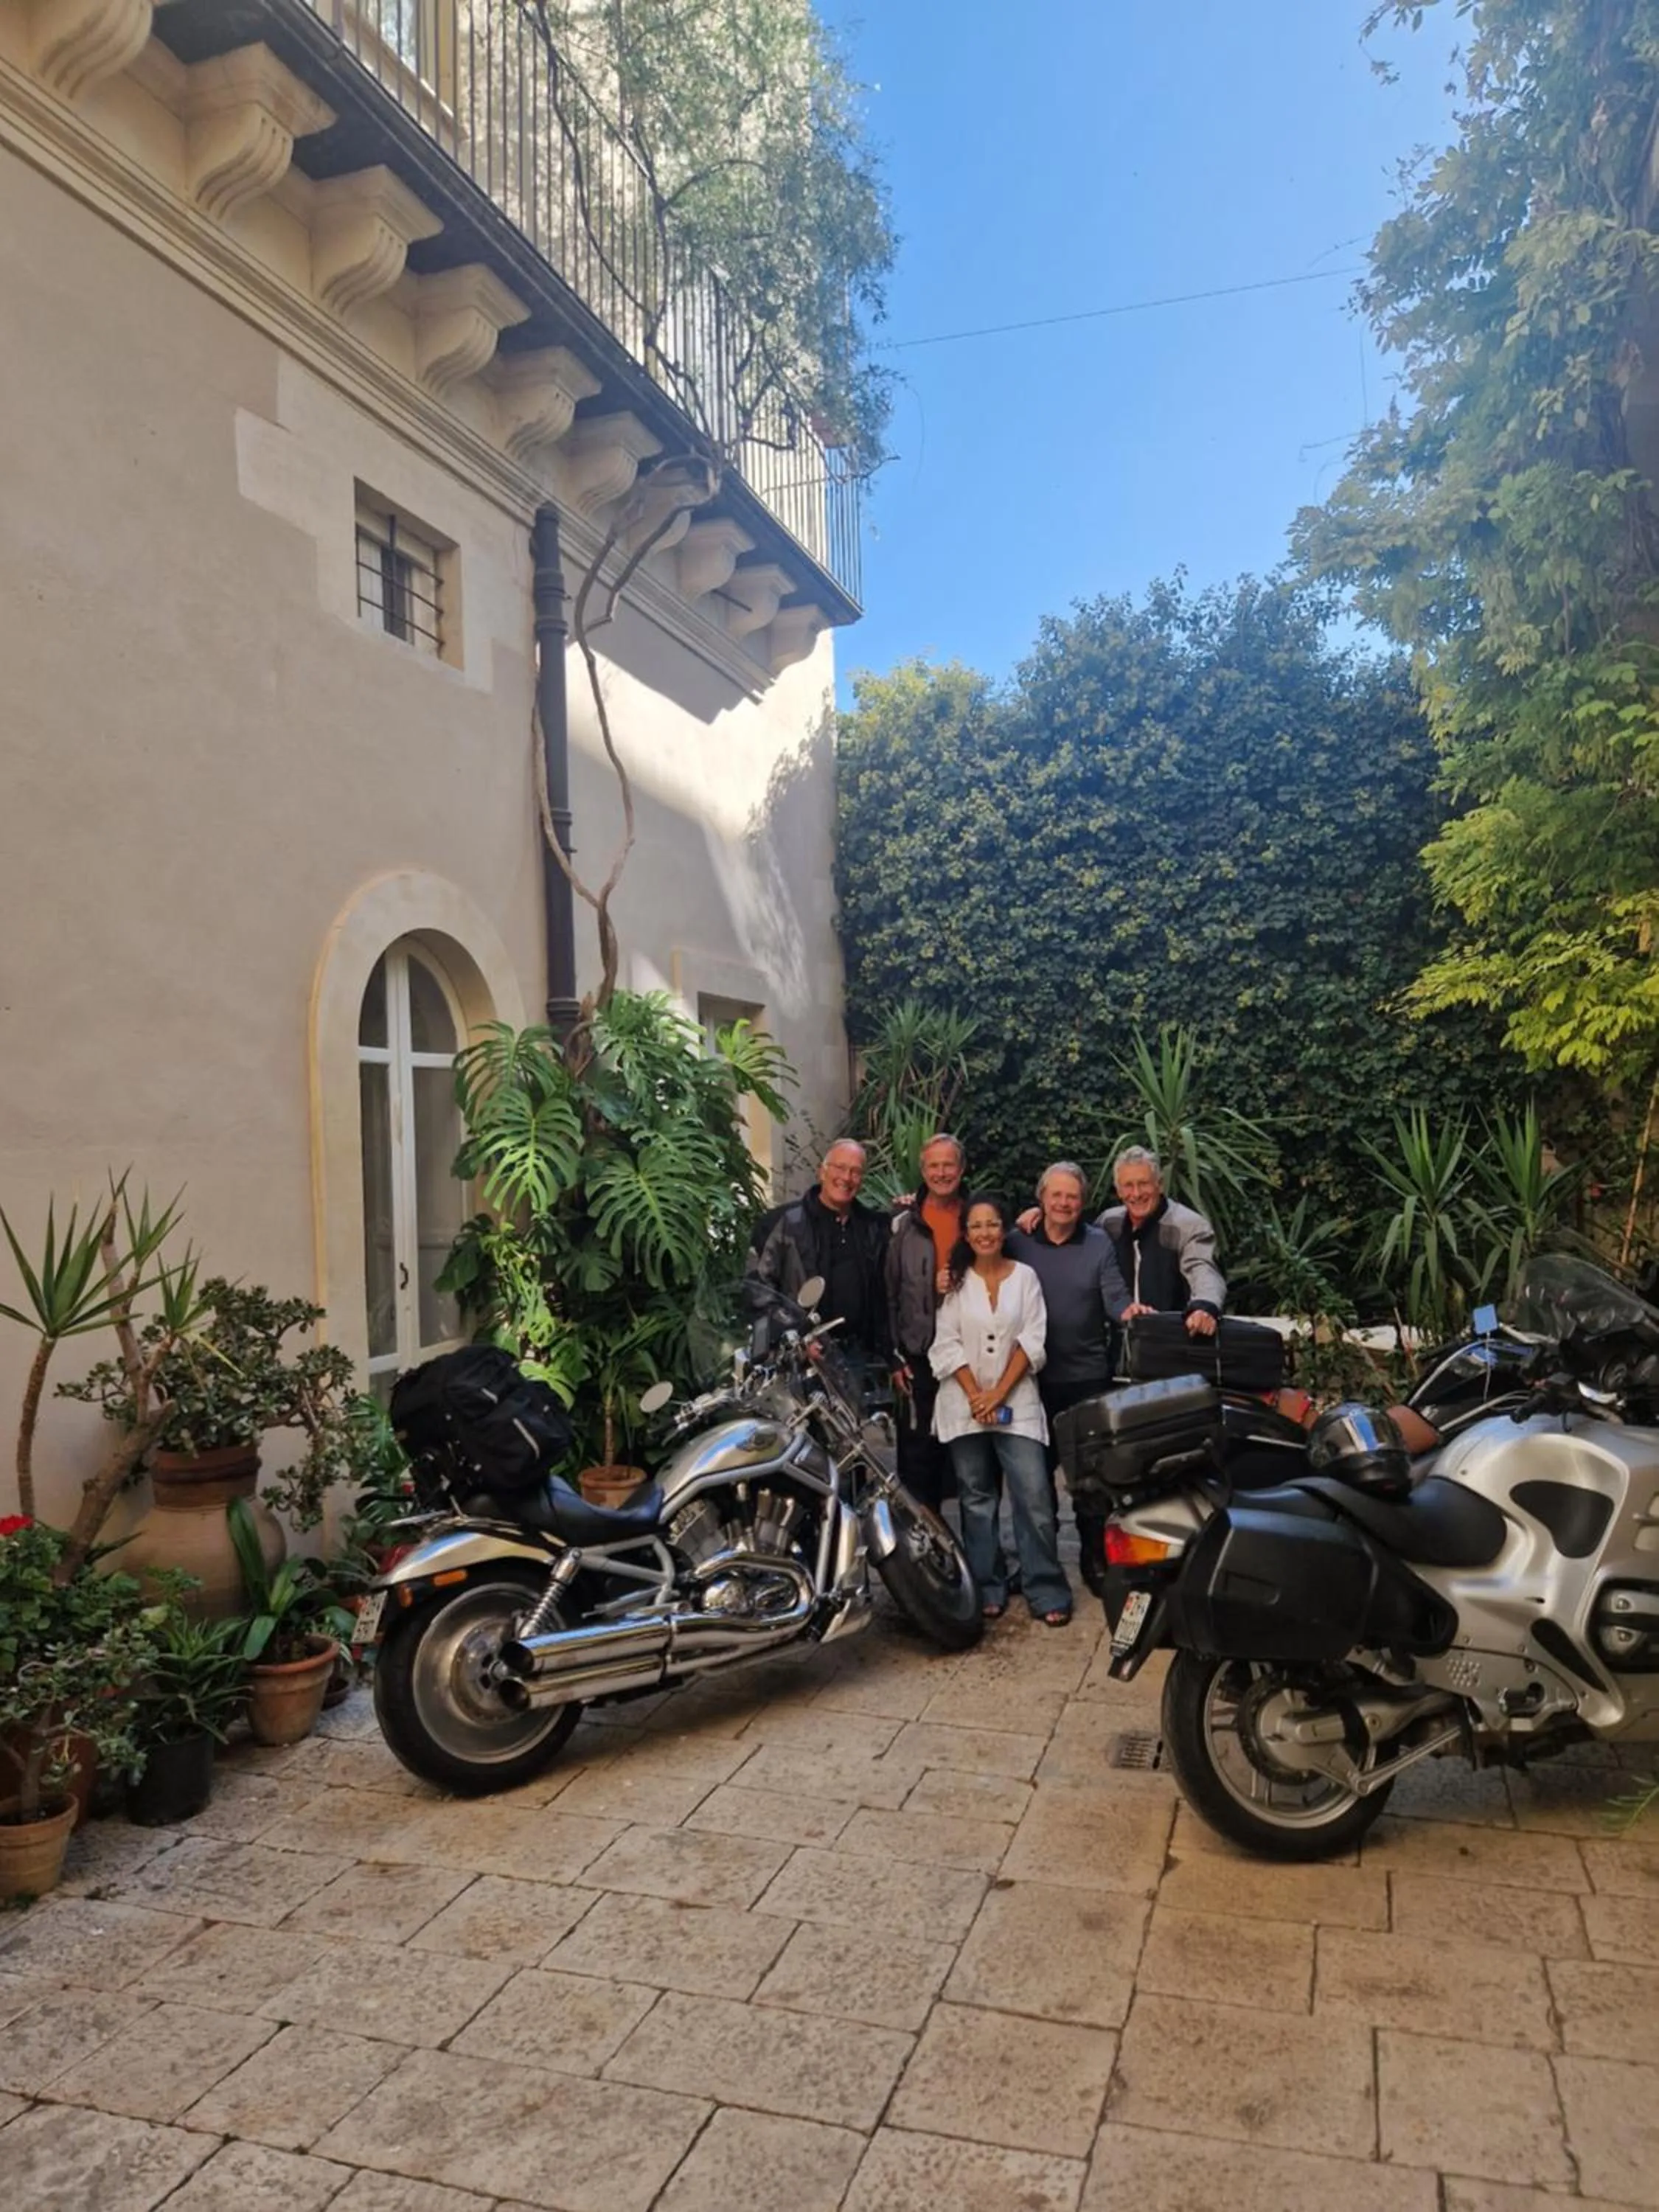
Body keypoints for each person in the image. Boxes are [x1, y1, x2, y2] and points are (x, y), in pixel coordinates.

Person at [931, 1193, 1072, 1627]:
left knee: (1033, 1496)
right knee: (976, 1499)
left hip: (1018, 1403)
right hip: (963, 1403)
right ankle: (987, 1585)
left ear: (1004, 1229)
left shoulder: (1025, 1278)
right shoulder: (956, 1282)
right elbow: (946, 1343)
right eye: (976, 1226)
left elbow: (1033, 1339)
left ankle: (1045, 1586)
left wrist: (998, 1395)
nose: (985, 1233)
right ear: (967, 1234)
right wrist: (977, 1395)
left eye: (992, 1224)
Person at [1007, 1161, 1132, 1597]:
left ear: (1083, 1202)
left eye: (1072, 1196)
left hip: (1085, 1377)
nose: (1063, 1203)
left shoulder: (1098, 1244)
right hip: (1030, 1380)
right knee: (1033, 1481)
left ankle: (1093, 1556)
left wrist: (1130, 1312)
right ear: (1041, 1199)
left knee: (1089, 1480)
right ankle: (1037, 1563)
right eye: (1056, 1195)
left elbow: (1114, 1295)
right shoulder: (1017, 1241)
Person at [748, 1140, 891, 1388]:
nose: (847, 1177)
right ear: (822, 1171)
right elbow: (758, 1289)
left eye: (856, 1171)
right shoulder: (785, 1223)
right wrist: (796, 1336)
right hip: (802, 1357)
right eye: (840, 1168)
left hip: (858, 1357)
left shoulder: (873, 1226)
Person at [887, 1133, 969, 1512]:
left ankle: (975, 1554)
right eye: (933, 1166)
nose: (941, 1173)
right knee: (918, 1458)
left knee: (969, 1457)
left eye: (948, 1164)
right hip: (917, 1353)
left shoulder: (977, 1215)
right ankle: (924, 1549)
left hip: (967, 1354)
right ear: (923, 1171)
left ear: (962, 1169)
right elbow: (888, 1292)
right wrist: (894, 1356)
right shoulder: (903, 1223)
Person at [1099, 1146, 1225, 1338]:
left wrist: (1205, 1307)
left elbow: (1203, 1270)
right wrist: (1040, 1216)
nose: (1137, 1193)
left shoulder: (1188, 1226)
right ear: (1118, 1191)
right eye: (1128, 1185)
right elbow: (1081, 1246)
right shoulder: (1108, 1223)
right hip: (1118, 1351)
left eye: (1143, 1184)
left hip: (1173, 1346)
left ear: (1160, 1184)